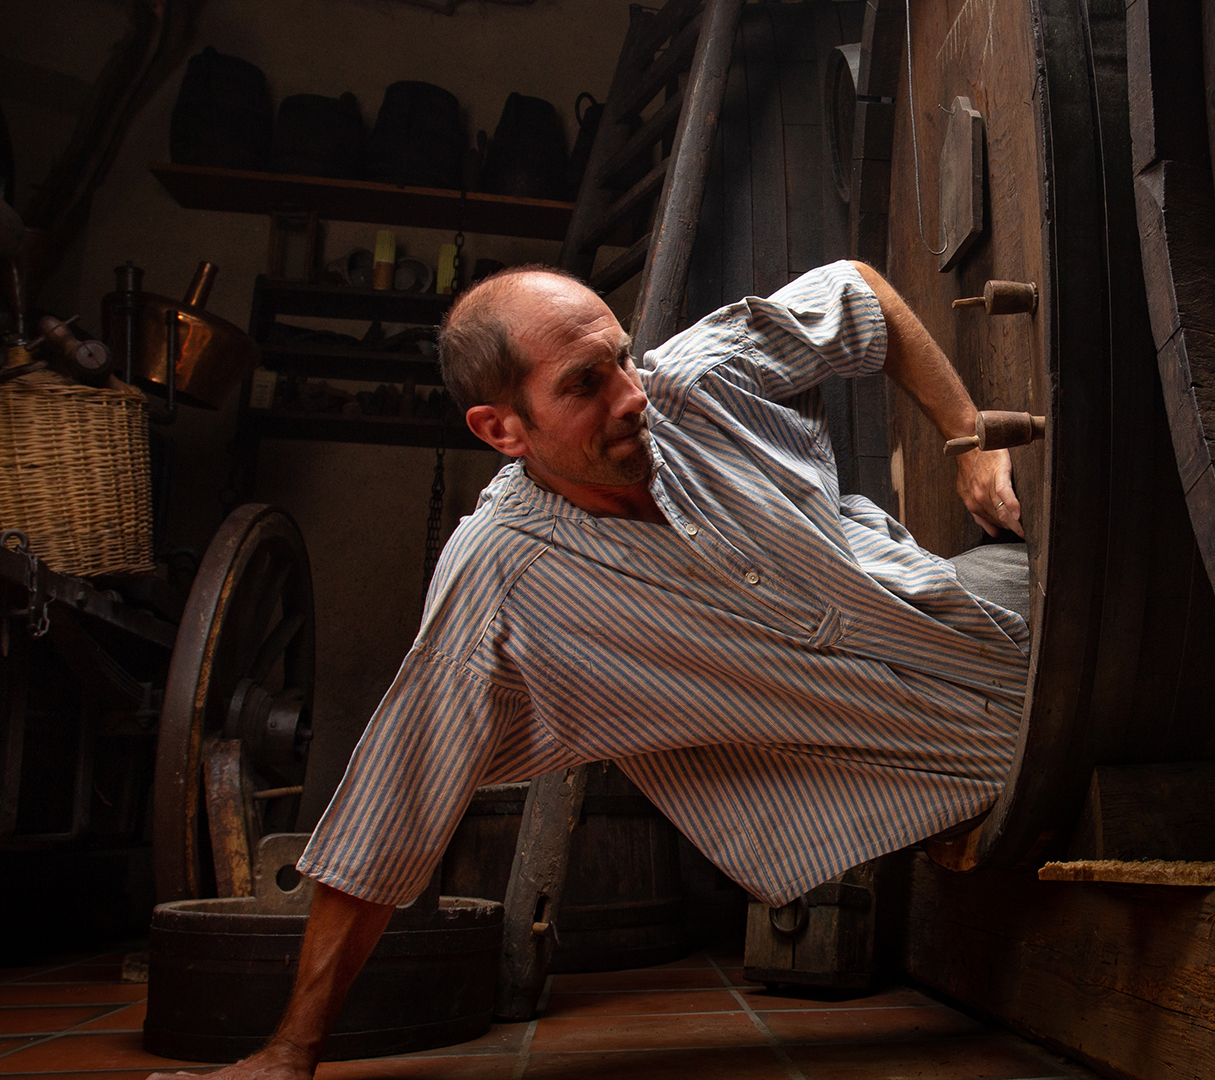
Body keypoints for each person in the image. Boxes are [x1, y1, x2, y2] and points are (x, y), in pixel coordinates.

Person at [150, 260, 1029, 1080]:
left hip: (974, 610)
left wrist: (968, 438)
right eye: (584, 385)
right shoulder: (501, 581)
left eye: (620, 359)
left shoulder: (687, 382)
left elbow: (859, 294)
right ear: (502, 430)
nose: (631, 397)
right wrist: (291, 1050)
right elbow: (393, 803)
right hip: (966, 757)